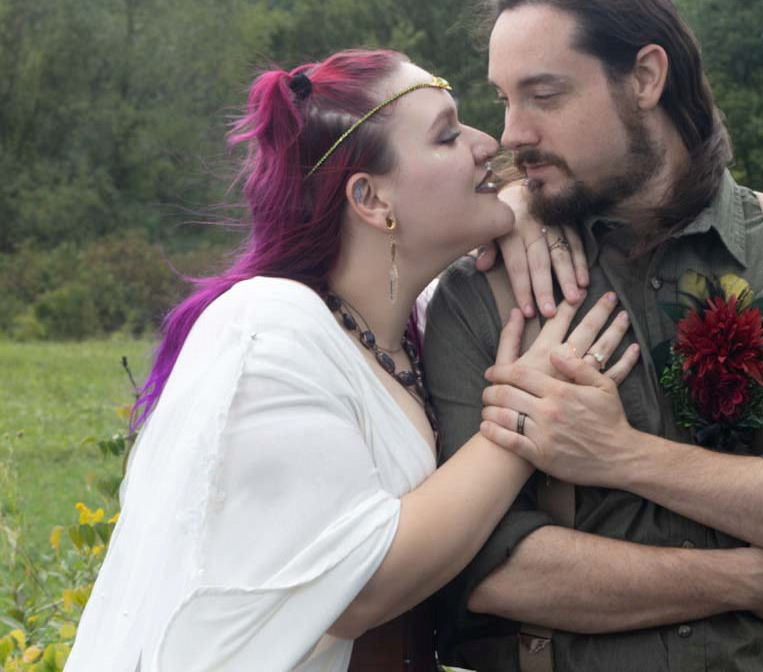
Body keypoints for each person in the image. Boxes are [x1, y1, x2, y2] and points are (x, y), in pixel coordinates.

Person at [423, 0, 763, 671]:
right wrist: (742, 578)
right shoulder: (485, 291)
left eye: (545, 95)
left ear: (646, 77)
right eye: (505, 98)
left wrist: (621, 456)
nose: (513, 133)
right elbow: (483, 568)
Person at [65, 48, 640, 671]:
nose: (487, 143)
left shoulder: (413, 325)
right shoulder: (267, 328)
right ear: (370, 198)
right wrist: (525, 411)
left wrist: (526, 204)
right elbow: (357, 591)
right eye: (448, 136)